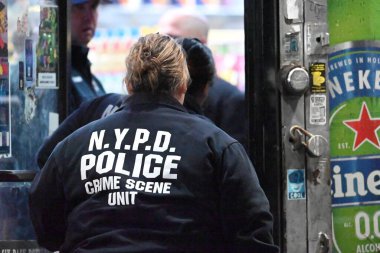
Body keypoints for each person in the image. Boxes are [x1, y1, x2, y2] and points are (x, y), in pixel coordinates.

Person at [29, 33, 278, 252]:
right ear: (182, 84)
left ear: (128, 84)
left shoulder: (74, 145)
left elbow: (45, 223)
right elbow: (253, 231)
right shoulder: (217, 145)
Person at [36, 37, 215, 169]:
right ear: (183, 83)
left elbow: (47, 159)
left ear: (130, 82)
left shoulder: (99, 107)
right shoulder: (208, 140)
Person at [158, 9, 248, 150]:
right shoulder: (155, 90)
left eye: (172, 38)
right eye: (161, 39)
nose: (163, 47)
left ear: (199, 43)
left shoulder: (230, 100)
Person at [69, 0, 106, 114]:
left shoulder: (92, 80)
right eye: (80, 8)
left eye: (93, 7)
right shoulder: (51, 79)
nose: (89, 17)